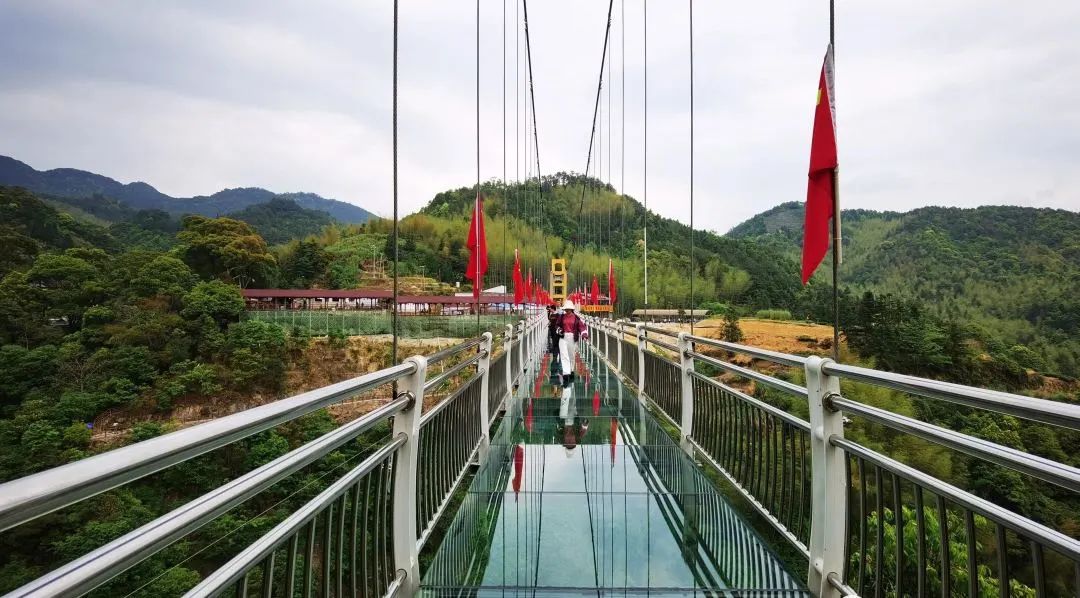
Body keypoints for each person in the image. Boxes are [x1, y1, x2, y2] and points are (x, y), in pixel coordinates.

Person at [557, 300, 588, 385]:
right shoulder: (561, 317)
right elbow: (557, 326)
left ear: (572, 309)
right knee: (564, 355)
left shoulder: (576, 318)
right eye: (566, 309)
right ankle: (566, 373)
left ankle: (571, 370)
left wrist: (584, 335)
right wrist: (559, 330)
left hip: (572, 337)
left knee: (571, 355)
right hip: (563, 337)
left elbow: (582, 327)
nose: (567, 310)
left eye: (568, 309)